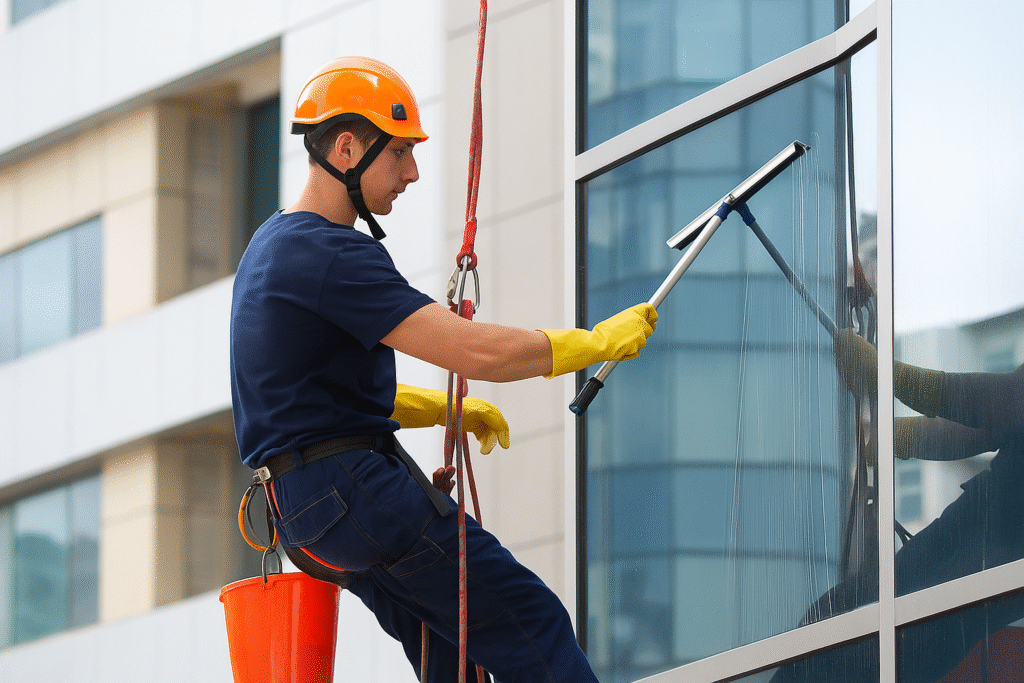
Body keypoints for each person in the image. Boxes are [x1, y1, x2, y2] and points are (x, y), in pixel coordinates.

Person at [229, 56, 658, 683]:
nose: (412, 172)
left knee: (451, 660)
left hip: (307, 509)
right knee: (528, 620)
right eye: (399, 154)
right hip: (351, 489)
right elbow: (476, 351)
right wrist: (592, 343)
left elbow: (313, 395)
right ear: (346, 149)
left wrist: (447, 410)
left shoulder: (271, 246)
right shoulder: (326, 253)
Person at [770, 329, 1024, 682]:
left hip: (1006, 553)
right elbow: (988, 425)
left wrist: (885, 375)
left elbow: (1002, 404)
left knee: (895, 643)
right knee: (843, 612)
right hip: (989, 517)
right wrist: (897, 437)